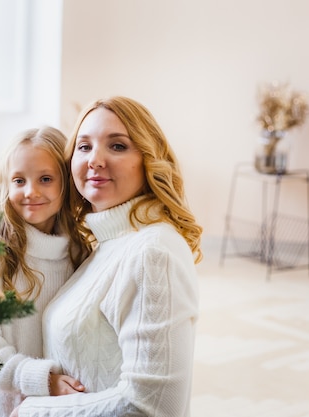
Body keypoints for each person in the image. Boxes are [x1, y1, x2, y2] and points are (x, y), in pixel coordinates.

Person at [13, 96, 203, 417]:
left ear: (148, 159)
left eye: (117, 146)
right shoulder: (105, 243)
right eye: (84, 147)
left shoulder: (152, 251)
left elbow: (152, 405)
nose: (95, 160)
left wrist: (34, 412)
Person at [0, 126, 92, 417]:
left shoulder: (82, 254)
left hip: (62, 405)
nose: (31, 192)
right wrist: (44, 380)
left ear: (66, 184)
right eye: (19, 180)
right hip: (1, 408)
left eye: (45, 179)